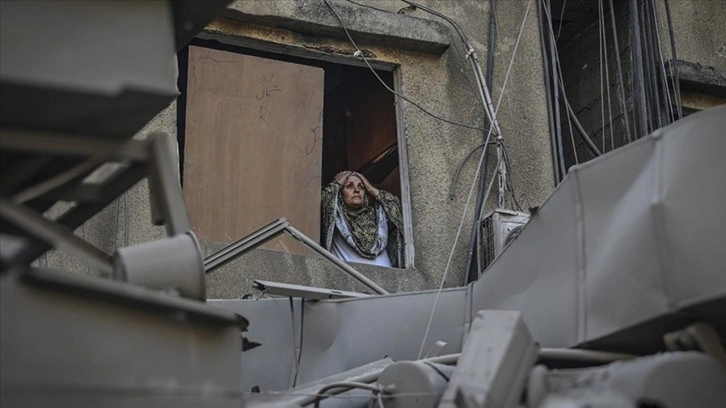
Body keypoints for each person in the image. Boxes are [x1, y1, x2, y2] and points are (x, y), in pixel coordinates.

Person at [321, 171, 404, 267]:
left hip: (386, 274)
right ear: (340, 193)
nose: (357, 190)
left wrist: (371, 188)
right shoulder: (335, 215)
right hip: (350, 274)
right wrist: (338, 183)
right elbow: (324, 198)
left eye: (361, 187)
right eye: (349, 186)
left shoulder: (378, 215)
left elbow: (395, 205)